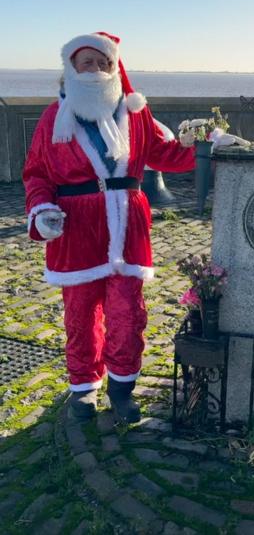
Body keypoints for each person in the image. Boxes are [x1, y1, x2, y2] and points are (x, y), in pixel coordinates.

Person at [23, 32, 196, 422]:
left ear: (115, 68)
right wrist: (42, 208)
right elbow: (36, 173)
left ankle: (122, 388)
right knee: (80, 314)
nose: (97, 70)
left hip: (127, 225)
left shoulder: (135, 113)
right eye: (88, 63)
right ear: (72, 68)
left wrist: (203, 145)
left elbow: (164, 154)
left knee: (127, 312)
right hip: (77, 228)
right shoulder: (54, 117)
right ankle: (83, 388)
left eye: (105, 63)